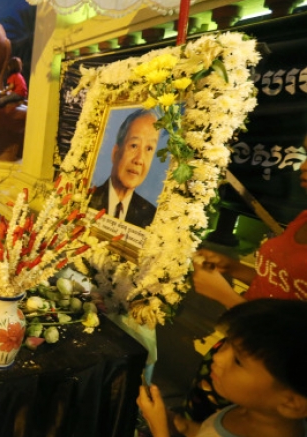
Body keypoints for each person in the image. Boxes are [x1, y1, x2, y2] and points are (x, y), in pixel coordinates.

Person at [178, 132, 307, 425]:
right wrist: (234, 269)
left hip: (268, 373)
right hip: (238, 345)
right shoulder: (303, 217)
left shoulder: (286, 397)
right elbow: (283, 284)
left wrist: (226, 297)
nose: (303, 167)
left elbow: (294, 334)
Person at [137, 298, 307, 437]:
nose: (218, 357)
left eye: (238, 361)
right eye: (227, 342)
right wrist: (180, 425)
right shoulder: (248, 410)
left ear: (291, 403)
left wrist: (159, 429)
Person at [88, 109, 160, 228]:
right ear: (115, 153)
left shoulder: (152, 218)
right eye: (134, 145)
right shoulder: (86, 200)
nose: (139, 160)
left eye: (149, 149)